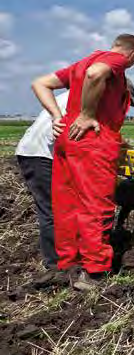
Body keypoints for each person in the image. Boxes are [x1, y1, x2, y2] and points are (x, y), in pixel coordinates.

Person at [30, 34, 134, 291]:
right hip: (93, 141)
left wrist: (57, 116)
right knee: (96, 206)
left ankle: (68, 264)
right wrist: (87, 114)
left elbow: (40, 83)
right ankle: (94, 272)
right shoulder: (116, 61)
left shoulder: (81, 63)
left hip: (68, 137)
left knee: (68, 203)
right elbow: (96, 74)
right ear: (133, 55)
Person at [15, 92, 69, 269]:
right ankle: (54, 264)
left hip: (44, 152)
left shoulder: (75, 94)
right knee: (51, 209)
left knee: (60, 207)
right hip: (38, 154)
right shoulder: (87, 99)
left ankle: (65, 254)